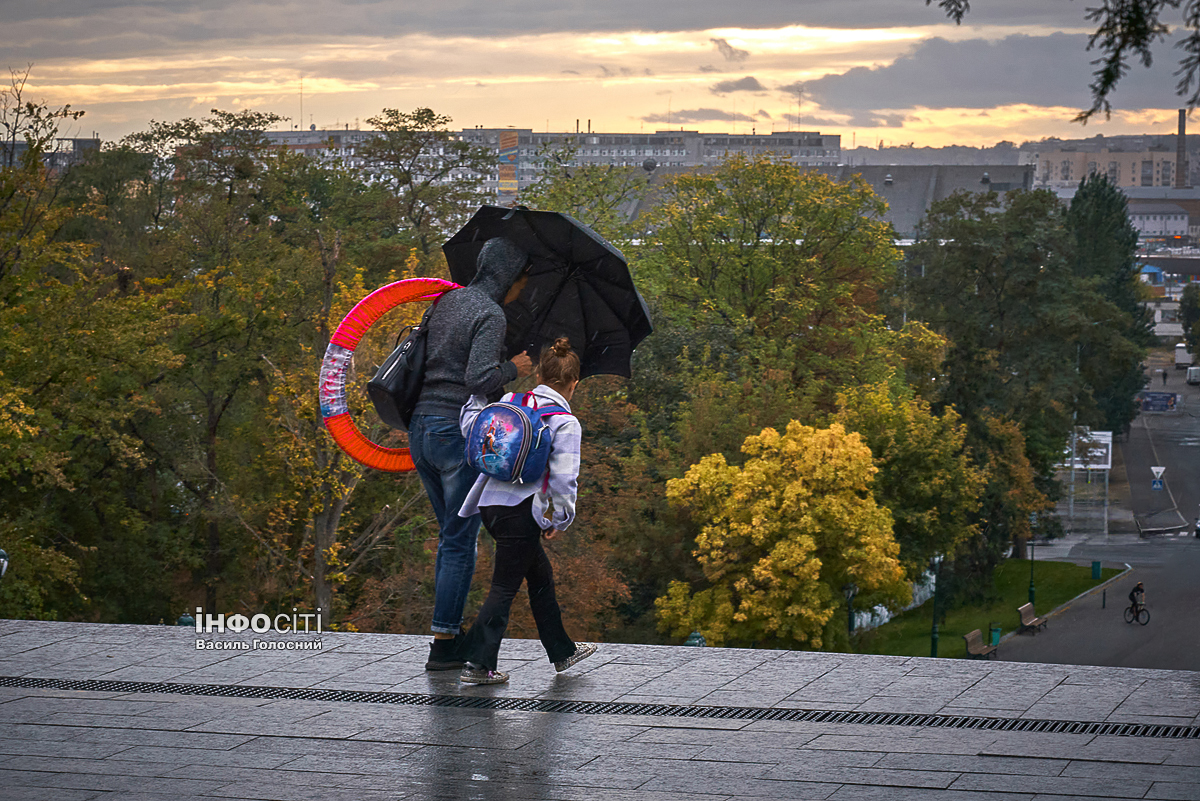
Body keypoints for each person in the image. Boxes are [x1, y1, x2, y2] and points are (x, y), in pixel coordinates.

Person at [409, 237, 534, 670]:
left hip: (420, 429)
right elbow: (480, 379)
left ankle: (449, 633)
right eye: (521, 281)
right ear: (508, 278)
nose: (520, 289)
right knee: (460, 541)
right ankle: (444, 643)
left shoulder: (446, 302)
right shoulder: (489, 312)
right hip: (454, 432)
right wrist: (514, 368)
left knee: (450, 536)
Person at [453, 337, 597, 685]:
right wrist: (560, 518)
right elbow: (565, 479)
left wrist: (474, 396)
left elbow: (471, 428)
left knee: (540, 576)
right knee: (503, 588)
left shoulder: (508, 402)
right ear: (574, 383)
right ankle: (477, 664)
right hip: (522, 512)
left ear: (536, 377)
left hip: (489, 505)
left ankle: (562, 651)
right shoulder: (566, 422)